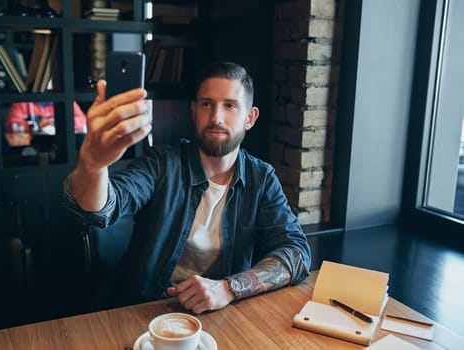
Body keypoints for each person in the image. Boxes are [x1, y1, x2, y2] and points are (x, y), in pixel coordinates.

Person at [64, 61, 311, 314]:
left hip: (220, 312)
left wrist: (228, 288)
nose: (216, 117)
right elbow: (102, 208)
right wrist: (92, 165)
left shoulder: (261, 178)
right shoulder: (162, 163)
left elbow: (297, 253)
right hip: (145, 309)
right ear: (194, 110)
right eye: (207, 104)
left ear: (250, 117)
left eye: (230, 106)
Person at [6, 101, 87, 135]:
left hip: (61, 143)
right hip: (31, 147)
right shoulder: (22, 102)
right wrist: (38, 125)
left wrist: (59, 122)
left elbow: (83, 120)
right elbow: (12, 125)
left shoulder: (65, 101)